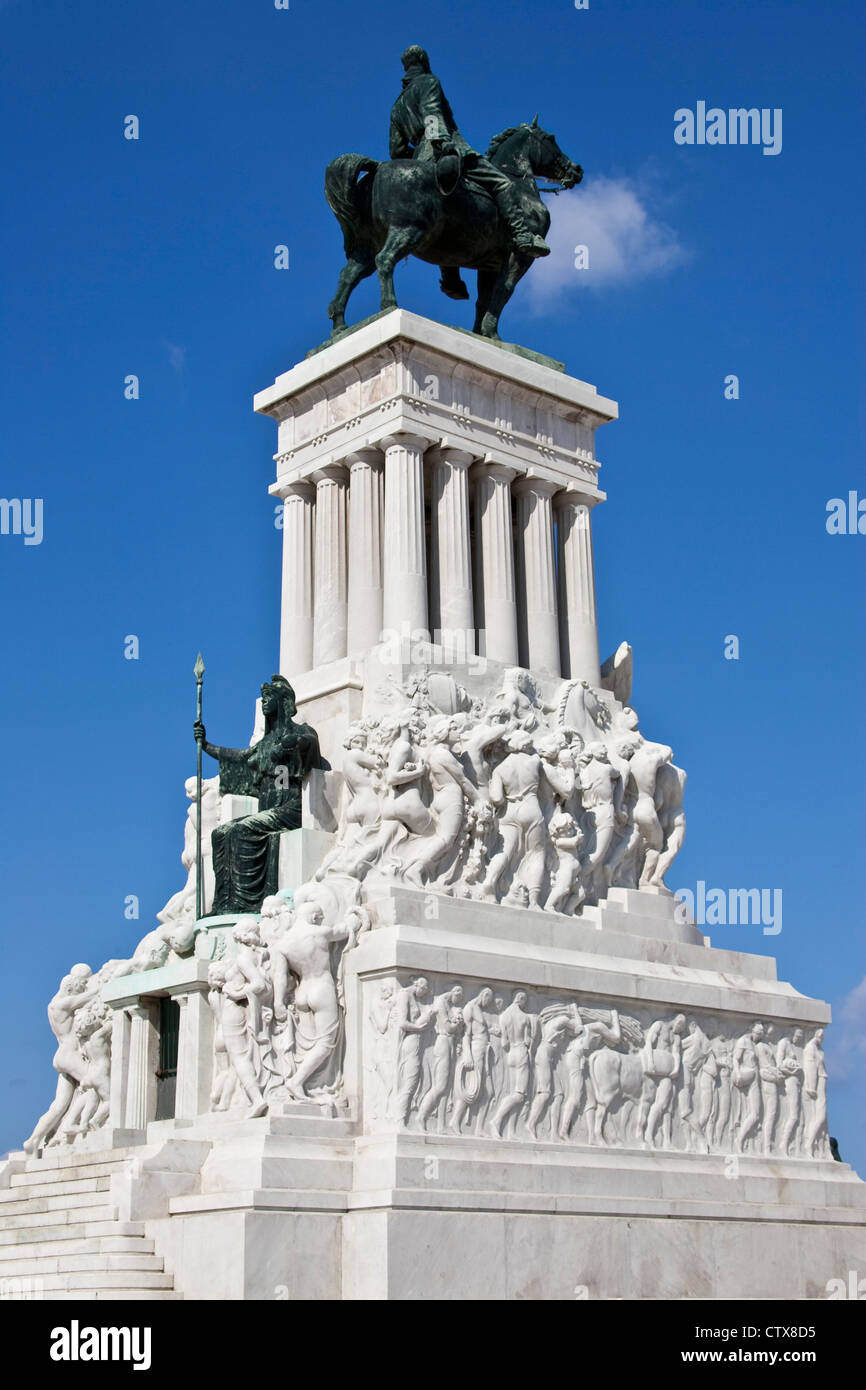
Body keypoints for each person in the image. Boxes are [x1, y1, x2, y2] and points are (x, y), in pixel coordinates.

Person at [389, 46, 550, 263]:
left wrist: (415, 161)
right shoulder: (429, 82)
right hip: (444, 147)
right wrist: (442, 142)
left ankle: (450, 278)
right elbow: (432, 112)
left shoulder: (397, 105)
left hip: (419, 157)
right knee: (502, 183)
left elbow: (396, 150)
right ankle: (522, 235)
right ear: (423, 61)